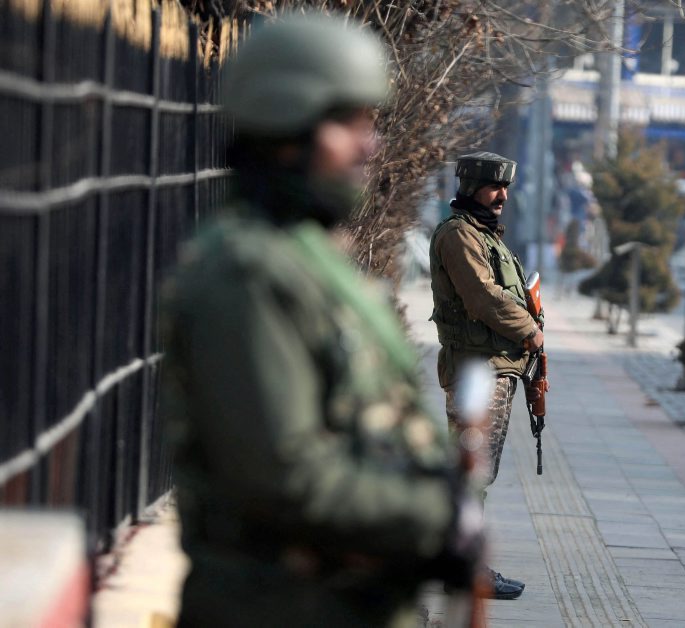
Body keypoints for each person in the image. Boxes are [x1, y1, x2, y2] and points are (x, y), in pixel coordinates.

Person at [159, 14, 481, 627]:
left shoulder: (308, 258)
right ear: (286, 124)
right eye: (349, 124)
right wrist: (433, 518)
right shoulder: (248, 274)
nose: (369, 145)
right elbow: (285, 477)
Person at [428, 151, 544, 600]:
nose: (502, 196)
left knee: (476, 470)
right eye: (494, 186)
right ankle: (464, 568)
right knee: (471, 472)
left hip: (494, 367)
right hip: (477, 370)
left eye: (505, 187)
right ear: (471, 186)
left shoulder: (485, 235)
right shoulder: (459, 235)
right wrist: (529, 330)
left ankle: (459, 563)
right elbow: (482, 296)